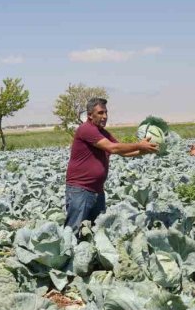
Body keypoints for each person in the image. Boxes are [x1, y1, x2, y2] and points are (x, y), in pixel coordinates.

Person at [65, 97, 158, 230]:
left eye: (106, 113)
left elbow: (123, 152)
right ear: (90, 115)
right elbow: (112, 148)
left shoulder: (103, 133)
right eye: (101, 113)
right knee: (74, 230)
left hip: (97, 191)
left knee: (96, 231)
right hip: (80, 190)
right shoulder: (86, 129)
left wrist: (145, 150)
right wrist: (139, 144)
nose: (105, 116)